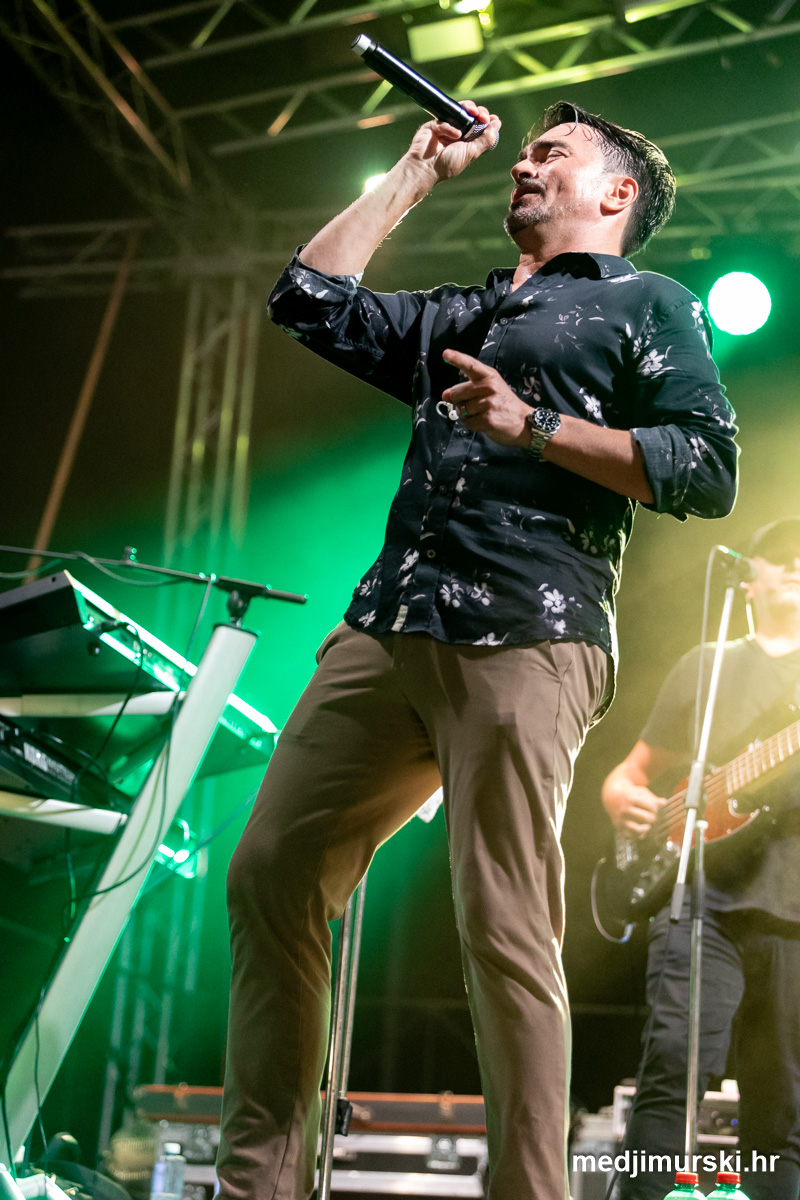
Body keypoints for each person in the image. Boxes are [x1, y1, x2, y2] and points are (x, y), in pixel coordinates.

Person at [216, 98, 738, 1200]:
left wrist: (532, 426)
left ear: (617, 193)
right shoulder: (465, 310)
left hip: (528, 630)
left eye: (553, 153)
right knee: (269, 871)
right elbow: (307, 298)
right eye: (523, 152)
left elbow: (704, 469)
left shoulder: (649, 303)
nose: (523, 165)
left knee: (502, 921)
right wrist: (414, 173)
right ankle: (256, 1183)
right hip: (386, 626)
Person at [601, 517, 800, 1200]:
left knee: (784, 1105)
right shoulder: (708, 666)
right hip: (700, 901)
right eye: (779, 555)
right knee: (672, 1073)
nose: (795, 564)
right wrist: (624, 799)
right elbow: (630, 773)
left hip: (794, 910)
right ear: (748, 578)